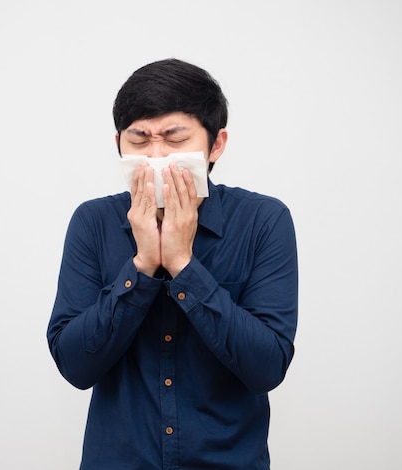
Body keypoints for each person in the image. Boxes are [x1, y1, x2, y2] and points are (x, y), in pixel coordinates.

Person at [47, 58, 298, 470]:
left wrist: (183, 264)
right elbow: (75, 365)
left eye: (174, 138)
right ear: (119, 145)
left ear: (215, 144)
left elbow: (267, 367)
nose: (155, 156)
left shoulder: (263, 221)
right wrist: (143, 266)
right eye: (140, 139)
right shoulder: (92, 223)